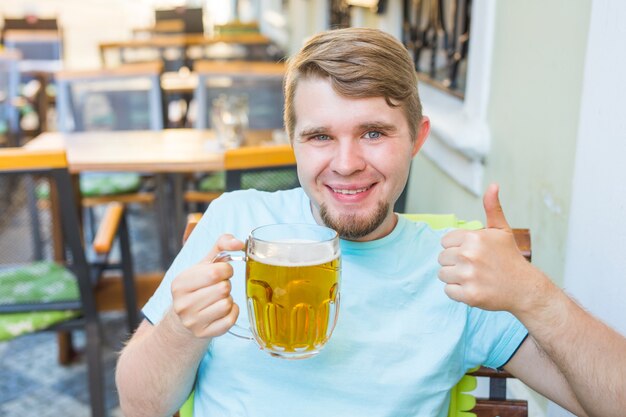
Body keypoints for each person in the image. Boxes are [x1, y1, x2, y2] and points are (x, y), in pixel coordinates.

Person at [116, 27, 626, 417]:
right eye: (320, 137)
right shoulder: (235, 221)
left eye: (374, 133)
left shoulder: (457, 268)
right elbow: (140, 405)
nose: (346, 163)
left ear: (417, 138)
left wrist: (533, 296)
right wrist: (181, 330)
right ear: (293, 142)